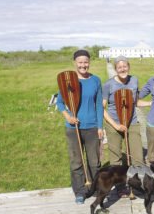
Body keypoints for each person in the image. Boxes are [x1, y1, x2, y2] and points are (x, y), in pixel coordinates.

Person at [56, 49, 103, 204]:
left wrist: (100, 126)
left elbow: (98, 106)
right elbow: (60, 102)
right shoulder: (68, 80)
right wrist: (68, 117)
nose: (83, 65)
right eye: (80, 62)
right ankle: (80, 191)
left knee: (94, 162)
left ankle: (94, 188)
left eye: (86, 62)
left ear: (89, 62)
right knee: (77, 161)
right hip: (73, 128)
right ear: (75, 63)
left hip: (92, 127)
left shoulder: (96, 80)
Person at [103, 55, 150, 197]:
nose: (122, 69)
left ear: (128, 66)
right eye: (119, 67)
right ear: (116, 68)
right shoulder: (108, 84)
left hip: (132, 122)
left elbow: (136, 102)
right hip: (114, 124)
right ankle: (120, 187)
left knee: (137, 157)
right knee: (116, 158)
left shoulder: (134, 80)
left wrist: (151, 103)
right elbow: (102, 108)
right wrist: (116, 125)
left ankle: (137, 184)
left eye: (125, 66)